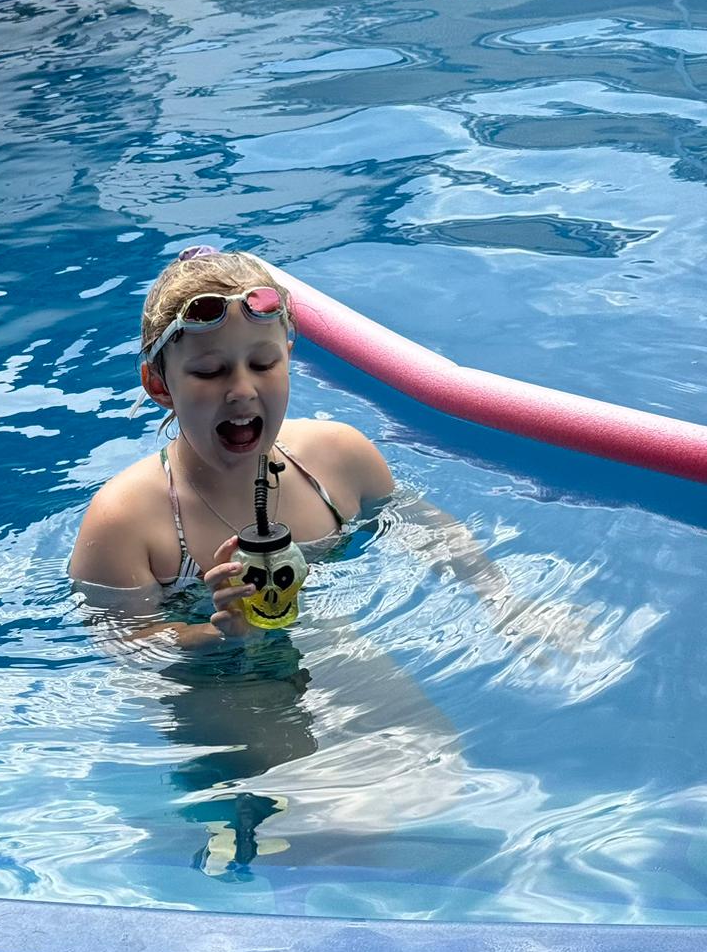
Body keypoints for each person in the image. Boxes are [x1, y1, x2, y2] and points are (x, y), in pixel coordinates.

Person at [69, 245, 589, 656]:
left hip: (332, 644)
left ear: (289, 356)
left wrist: (503, 600)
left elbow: (430, 531)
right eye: (210, 372)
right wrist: (218, 634)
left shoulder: (338, 459)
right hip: (214, 687)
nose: (243, 390)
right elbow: (126, 647)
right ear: (159, 385)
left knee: (432, 753)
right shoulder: (127, 521)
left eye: (264, 364)